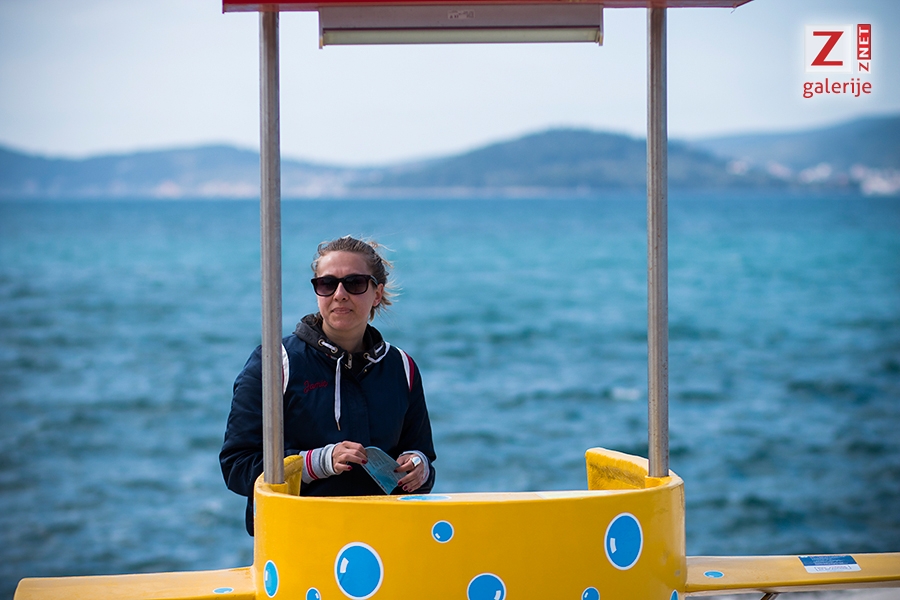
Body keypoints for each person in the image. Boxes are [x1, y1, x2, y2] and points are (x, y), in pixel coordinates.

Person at [220, 236, 436, 535]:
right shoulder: (274, 362)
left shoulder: (402, 367)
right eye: (327, 284)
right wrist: (314, 463)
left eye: (355, 283)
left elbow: (422, 456)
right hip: (299, 539)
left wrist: (418, 468)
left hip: (384, 539)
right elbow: (237, 467)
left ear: (377, 293)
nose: (340, 294)